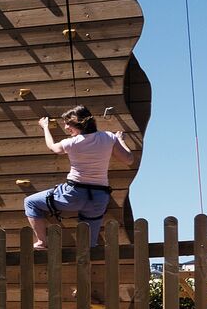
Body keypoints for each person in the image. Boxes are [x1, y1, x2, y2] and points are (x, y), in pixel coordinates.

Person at [23, 104, 138, 251]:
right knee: (89, 248)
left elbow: (53, 147)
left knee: (30, 202)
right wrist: (120, 139)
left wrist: (45, 127)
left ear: (79, 124)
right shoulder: (109, 137)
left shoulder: (72, 143)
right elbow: (128, 159)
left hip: (73, 194)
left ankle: (41, 242)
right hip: (99, 197)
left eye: (68, 124)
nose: (65, 128)